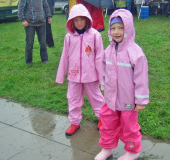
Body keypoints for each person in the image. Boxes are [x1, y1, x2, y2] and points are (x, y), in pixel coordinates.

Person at [95, 9, 149, 160]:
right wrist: (104, 86)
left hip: (128, 101)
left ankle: (133, 151)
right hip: (111, 99)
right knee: (107, 124)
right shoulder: (108, 50)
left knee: (129, 127)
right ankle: (107, 148)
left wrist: (140, 100)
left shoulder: (135, 53)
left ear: (128, 28)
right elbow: (104, 70)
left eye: (121, 27)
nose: (116, 31)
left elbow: (141, 78)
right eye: (113, 28)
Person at [55, 4, 105, 136]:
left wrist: (102, 78)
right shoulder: (69, 37)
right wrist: (61, 76)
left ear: (87, 19)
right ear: (71, 21)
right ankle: (74, 123)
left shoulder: (95, 35)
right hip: (74, 75)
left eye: (81, 19)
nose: (79, 23)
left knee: (96, 98)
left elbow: (100, 57)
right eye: (75, 20)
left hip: (91, 75)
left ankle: (102, 119)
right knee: (73, 98)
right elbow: (64, 57)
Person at [18, 0, 52, 66]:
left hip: (42, 23)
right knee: (29, 43)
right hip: (29, 24)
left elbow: (46, 6)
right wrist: (23, 20)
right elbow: (20, 9)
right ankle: (28, 61)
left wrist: (49, 16)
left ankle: (45, 60)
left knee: (43, 43)